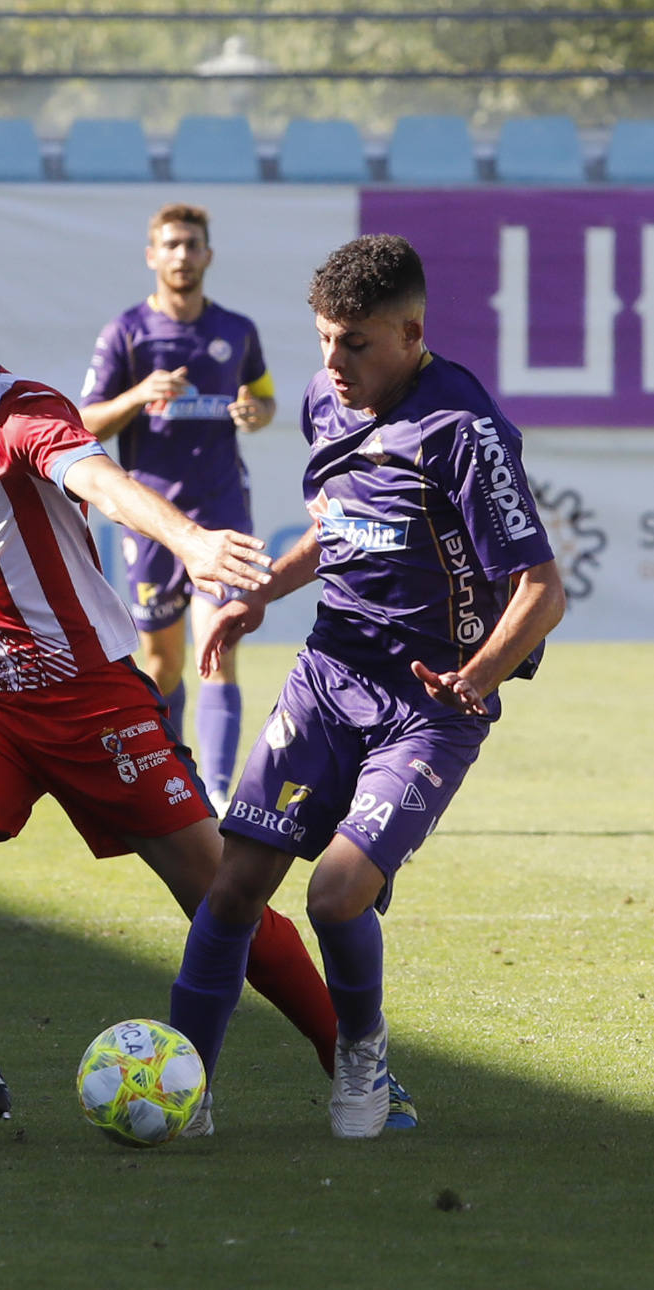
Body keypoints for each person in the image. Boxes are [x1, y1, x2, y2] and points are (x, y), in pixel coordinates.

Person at [0, 238, 362, 1133]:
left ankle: (354, 1060)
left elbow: (101, 479)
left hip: (93, 705)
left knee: (221, 898)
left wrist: (191, 544)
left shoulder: (27, 414)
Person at [169, 233, 566, 1139]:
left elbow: (542, 590)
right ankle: (180, 1083)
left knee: (334, 892)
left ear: (411, 333)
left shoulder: (463, 430)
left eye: (355, 344)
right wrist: (258, 593)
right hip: (326, 678)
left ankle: (362, 1056)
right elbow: (336, 525)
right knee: (231, 889)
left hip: (427, 708)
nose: (333, 364)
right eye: (322, 340)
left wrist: (476, 677)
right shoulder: (321, 400)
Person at [80, 203, 275, 817]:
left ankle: (216, 792)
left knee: (219, 644)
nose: (182, 255)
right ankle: (171, 783)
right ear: (152, 255)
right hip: (153, 519)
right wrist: (140, 394)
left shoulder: (238, 330)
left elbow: (265, 399)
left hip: (221, 514)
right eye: (171, 245)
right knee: (162, 663)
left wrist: (255, 413)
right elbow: (83, 422)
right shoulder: (127, 333)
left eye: (192, 244)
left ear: (208, 254)